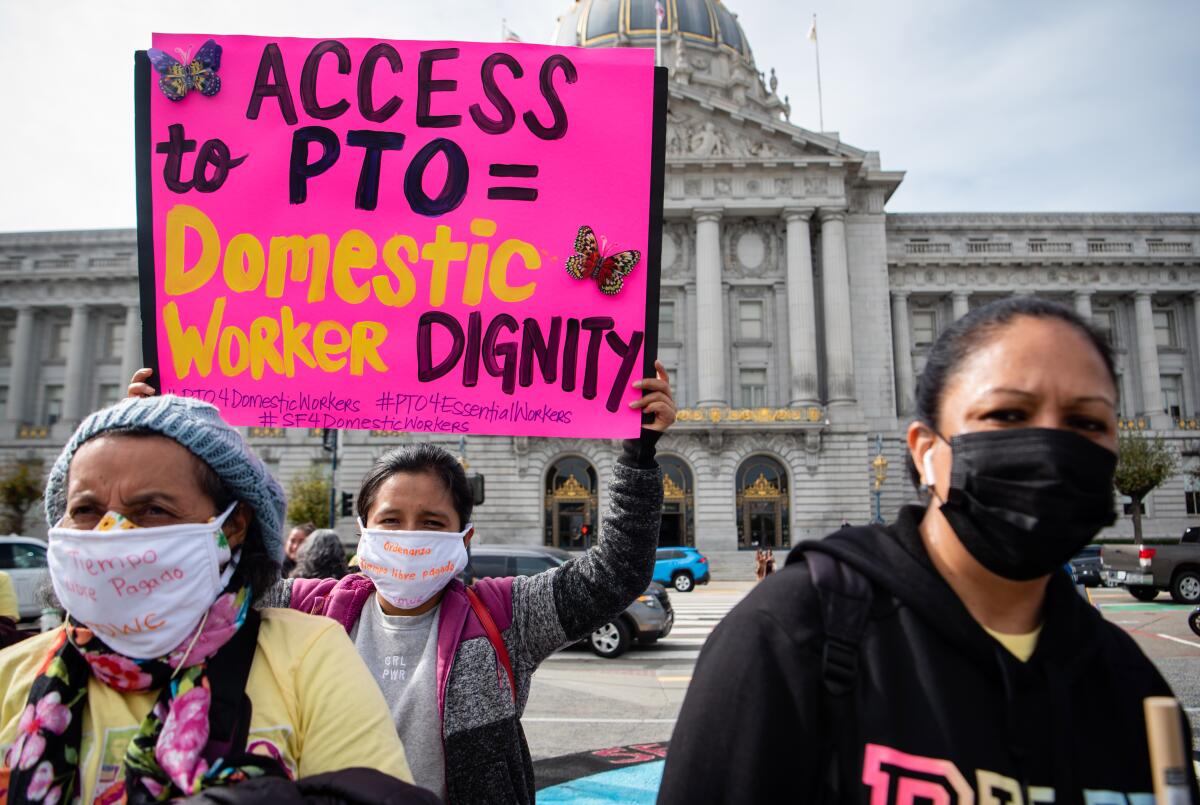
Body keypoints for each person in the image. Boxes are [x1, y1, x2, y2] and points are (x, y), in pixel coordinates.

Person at [659, 297, 1198, 802]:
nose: (1051, 450)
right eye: (1007, 416)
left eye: (1087, 423)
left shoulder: (1134, 688)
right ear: (923, 450)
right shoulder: (791, 634)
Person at [269, 361, 676, 803]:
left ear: (465, 537)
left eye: (431, 522)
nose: (409, 537)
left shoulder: (503, 618)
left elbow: (615, 573)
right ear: (363, 532)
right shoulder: (308, 611)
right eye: (390, 520)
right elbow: (218, 588)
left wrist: (639, 455)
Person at [0, 395, 414, 804]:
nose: (111, 534)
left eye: (153, 510)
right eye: (87, 509)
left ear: (232, 525)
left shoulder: (307, 657)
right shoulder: (12, 674)